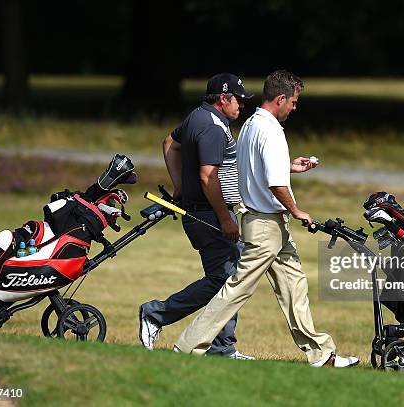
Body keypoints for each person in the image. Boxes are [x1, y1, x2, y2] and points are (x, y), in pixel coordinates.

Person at [174, 70, 360, 368]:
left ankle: (320, 354)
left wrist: (290, 166)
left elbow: (260, 168)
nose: (295, 108)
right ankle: (186, 347)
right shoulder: (272, 130)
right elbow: (275, 182)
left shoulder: (250, 124)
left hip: (267, 222)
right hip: (265, 225)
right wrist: (297, 210)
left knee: (293, 284)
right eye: (294, 102)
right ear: (282, 98)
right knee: (237, 288)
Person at [139, 73, 254, 360]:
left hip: (201, 211)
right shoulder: (213, 127)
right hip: (210, 214)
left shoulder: (196, 117)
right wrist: (225, 219)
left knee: (227, 279)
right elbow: (207, 177)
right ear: (223, 99)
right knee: (224, 281)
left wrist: (179, 183)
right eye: (237, 99)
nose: (241, 105)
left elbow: (169, 143)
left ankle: (222, 347)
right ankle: (156, 314)